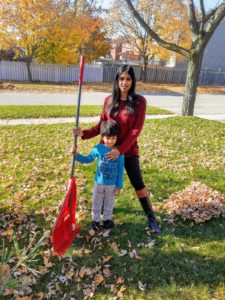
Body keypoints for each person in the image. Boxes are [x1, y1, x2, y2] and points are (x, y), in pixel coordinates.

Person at [74, 65, 160, 233]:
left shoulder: (139, 102)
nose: (124, 82)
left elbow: (136, 130)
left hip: (127, 151)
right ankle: (101, 216)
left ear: (133, 81)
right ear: (116, 80)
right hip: (106, 151)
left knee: (138, 183)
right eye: (121, 78)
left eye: (128, 79)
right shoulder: (108, 101)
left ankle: (151, 218)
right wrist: (83, 133)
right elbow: (101, 126)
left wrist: (120, 150)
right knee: (104, 184)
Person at [73, 120, 124, 231]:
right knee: (97, 201)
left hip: (111, 184)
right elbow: (88, 159)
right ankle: (95, 221)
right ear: (102, 137)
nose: (110, 141)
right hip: (99, 183)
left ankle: (106, 220)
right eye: (108, 138)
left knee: (109, 203)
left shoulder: (119, 152)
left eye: (113, 138)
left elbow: (120, 171)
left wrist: (118, 186)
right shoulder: (98, 148)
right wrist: (76, 155)